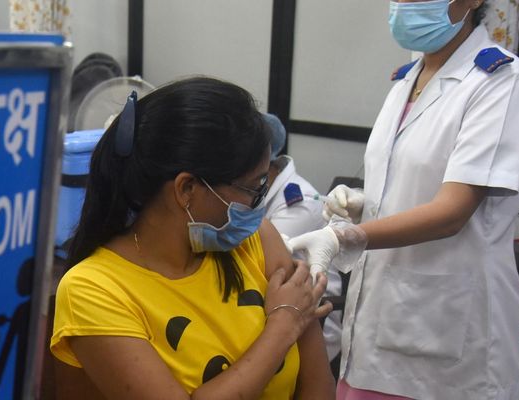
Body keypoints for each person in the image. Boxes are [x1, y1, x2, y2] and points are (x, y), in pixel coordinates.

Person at [287, 1, 519, 399]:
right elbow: (413, 183)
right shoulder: (406, 81)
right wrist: (365, 203)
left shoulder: (501, 81)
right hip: (377, 324)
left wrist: (344, 238)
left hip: (447, 335)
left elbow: (452, 213)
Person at [49, 77, 334, 399]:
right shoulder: (94, 289)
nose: (259, 205)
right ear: (186, 189)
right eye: (253, 189)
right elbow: (293, 320)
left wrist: (292, 320)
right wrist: (283, 325)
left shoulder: (256, 241)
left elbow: (318, 386)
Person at [259, 113, 341, 371]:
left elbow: (263, 266)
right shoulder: (260, 189)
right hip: (277, 305)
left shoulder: (299, 203)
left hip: (312, 322)